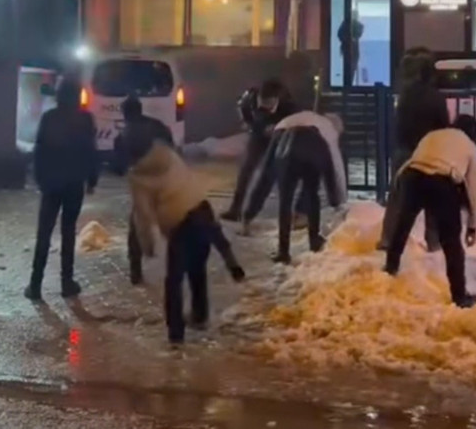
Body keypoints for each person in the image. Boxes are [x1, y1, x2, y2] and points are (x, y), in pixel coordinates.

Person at [128, 132, 245, 345]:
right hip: (202, 209)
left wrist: (147, 246)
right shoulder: (169, 155)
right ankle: (201, 314)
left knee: (174, 279)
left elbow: (143, 216)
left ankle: (176, 334)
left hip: (180, 225)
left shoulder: (138, 178)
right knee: (197, 267)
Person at [384, 114, 476, 309]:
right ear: (473, 133)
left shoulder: (432, 135)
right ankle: (459, 296)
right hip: (441, 181)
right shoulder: (470, 147)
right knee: (451, 241)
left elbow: (413, 161)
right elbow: (474, 191)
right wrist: (472, 226)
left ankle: (390, 267)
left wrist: (398, 192)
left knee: (403, 224)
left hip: (411, 177)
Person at [24, 78, 99, 302]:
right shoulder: (85, 119)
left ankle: (35, 284)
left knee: (44, 233)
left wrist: (39, 178)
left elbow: (39, 150)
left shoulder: (49, 117)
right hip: (73, 183)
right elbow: (90, 152)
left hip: (51, 184)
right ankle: (67, 282)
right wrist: (91, 179)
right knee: (68, 232)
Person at [243, 111, 347, 264]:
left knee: (285, 200)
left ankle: (283, 252)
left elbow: (266, 175)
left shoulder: (287, 122)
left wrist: (249, 213)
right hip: (313, 149)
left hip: (286, 147)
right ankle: (314, 241)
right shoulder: (329, 130)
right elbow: (334, 167)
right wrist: (338, 201)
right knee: (313, 194)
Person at [378, 58, 449, 252]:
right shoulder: (437, 98)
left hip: (404, 151)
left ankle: (387, 238)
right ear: (432, 76)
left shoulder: (406, 95)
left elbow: (398, 122)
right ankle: (433, 241)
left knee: (397, 196)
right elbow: (443, 126)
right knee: (433, 197)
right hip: (429, 151)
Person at [113, 94, 175, 285]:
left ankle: (135, 272)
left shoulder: (123, 136)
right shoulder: (157, 126)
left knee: (137, 227)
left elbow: (119, 168)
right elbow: (170, 147)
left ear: (125, 114)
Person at [220, 79, 297, 222]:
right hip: (258, 136)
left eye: (270, 105)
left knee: (275, 173)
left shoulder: (288, 104)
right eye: (263, 105)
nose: (266, 109)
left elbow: (294, 121)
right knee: (246, 170)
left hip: (279, 138)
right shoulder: (248, 100)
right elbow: (246, 118)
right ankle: (235, 209)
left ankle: (284, 212)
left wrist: (279, 129)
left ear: (278, 99)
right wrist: (258, 128)